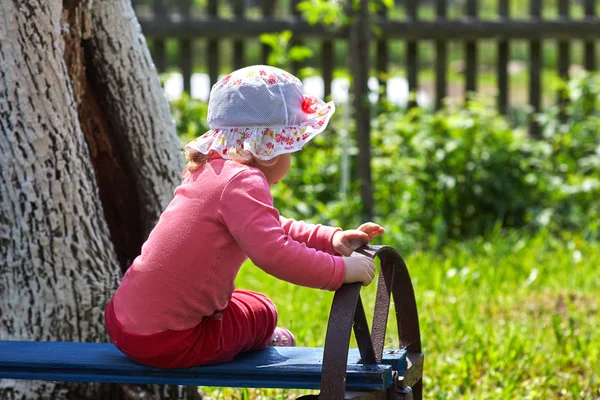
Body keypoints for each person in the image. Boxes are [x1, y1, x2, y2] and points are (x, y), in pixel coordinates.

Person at [104, 65, 385, 369]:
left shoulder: (211, 170)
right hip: (172, 341)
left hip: (121, 322)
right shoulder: (243, 180)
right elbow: (274, 253)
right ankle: (267, 338)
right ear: (270, 151)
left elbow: (272, 227)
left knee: (239, 301)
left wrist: (330, 239)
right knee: (263, 311)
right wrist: (340, 271)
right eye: (291, 149)